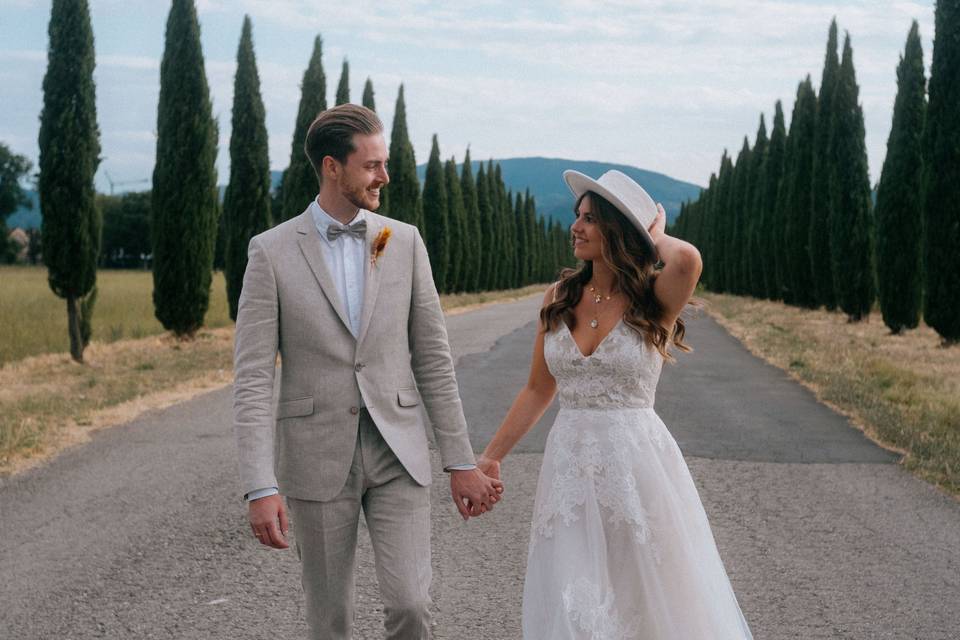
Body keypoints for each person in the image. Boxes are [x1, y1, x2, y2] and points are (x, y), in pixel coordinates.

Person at [232, 104, 503, 639]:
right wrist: (259, 486)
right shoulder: (270, 252)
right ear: (332, 167)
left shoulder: (403, 242)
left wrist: (460, 460)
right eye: (372, 165)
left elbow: (433, 360)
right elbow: (253, 380)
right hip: (315, 456)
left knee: (409, 605)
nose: (385, 176)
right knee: (330, 619)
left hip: (397, 453)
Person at [478, 170, 753, 638]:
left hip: (638, 468)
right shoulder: (559, 298)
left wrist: (655, 235)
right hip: (568, 470)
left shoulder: (654, 298)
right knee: (573, 594)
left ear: (619, 231)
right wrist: (491, 457)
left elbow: (686, 259)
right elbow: (538, 390)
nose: (576, 227)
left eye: (590, 219)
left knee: (644, 594)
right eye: (577, 216)